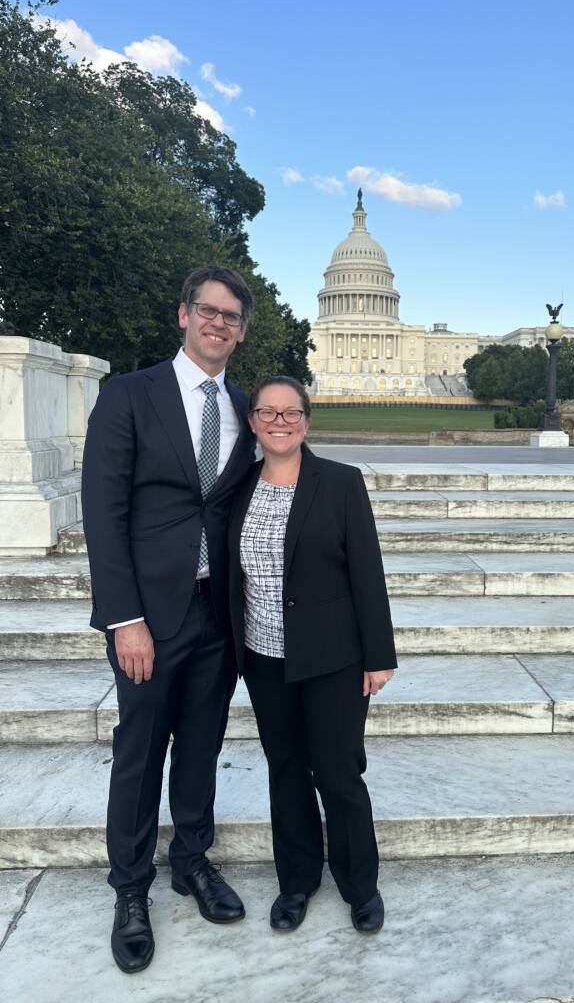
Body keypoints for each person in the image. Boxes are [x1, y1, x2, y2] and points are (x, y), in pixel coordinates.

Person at [82, 265, 256, 973]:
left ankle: (191, 860)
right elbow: (104, 511)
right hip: (148, 615)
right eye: (207, 311)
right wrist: (123, 618)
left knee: (201, 746)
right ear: (182, 314)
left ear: (241, 331)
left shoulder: (244, 407)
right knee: (140, 750)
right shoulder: (128, 395)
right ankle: (130, 889)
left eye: (231, 317)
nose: (219, 324)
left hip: (217, 611)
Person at [227, 375, 397, 934]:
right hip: (263, 657)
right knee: (286, 771)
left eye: (291, 412)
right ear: (251, 421)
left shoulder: (341, 483)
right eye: (267, 412)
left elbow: (367, 572)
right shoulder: (238, 487)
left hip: (334, 657)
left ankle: (359, 884)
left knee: (339, 774)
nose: (280, 421)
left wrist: (379, 655)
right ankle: (296, 880)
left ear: (307, 420)